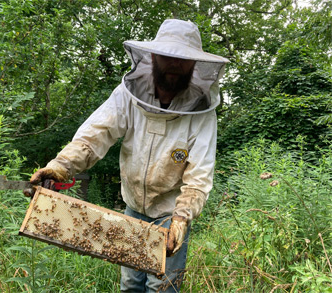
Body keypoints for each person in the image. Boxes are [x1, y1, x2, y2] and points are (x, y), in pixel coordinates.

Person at [29, 19, 229, 292]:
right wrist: (62, 166)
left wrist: (181, 219)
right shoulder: (129, 94)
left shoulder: (202, 112)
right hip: (133, 207)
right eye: (168, 55)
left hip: (170, 216)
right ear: (153, 56)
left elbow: (199, 175)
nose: (174, 64)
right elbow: (95, 134)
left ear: (194, 66)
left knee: (163, 289)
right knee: (130, 285)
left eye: (182, 59)